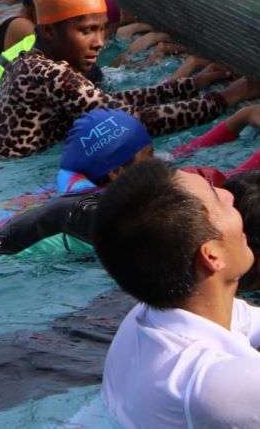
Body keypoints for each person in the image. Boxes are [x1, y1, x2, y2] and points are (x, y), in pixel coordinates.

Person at [0, 0, 259, 158]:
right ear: (50, 31)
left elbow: (114, 102)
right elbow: (134, 122)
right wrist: (225, 99)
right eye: (86, 31)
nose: (99, 42)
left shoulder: (25, 63)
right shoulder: (50, 75)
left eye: (102, 30)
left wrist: (190, 85)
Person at [94, 157, 260, 427]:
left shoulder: (148, 316)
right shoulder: (211, 384)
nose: (229, 195)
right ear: (212, 256)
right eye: (216, 197)